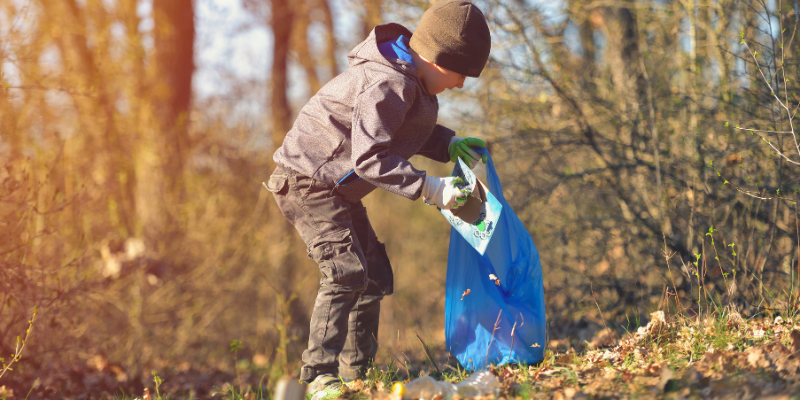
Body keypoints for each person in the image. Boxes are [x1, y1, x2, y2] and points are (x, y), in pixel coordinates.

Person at [263, 1, 491, 398]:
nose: (460, 85)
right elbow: (370, 158)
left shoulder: (411, 81)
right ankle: (318, 375)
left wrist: (449, 143)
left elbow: (406, 130)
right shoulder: (387, 82)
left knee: (375, 276)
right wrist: (431, 189)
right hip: (306, 183)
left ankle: (356, 374)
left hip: (336, 188)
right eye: (460, 74)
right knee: (346, 270)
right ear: (438, 58)